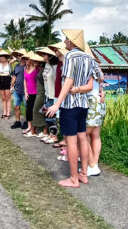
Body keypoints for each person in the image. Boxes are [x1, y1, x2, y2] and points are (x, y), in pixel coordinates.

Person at [46, 29, 94, 188]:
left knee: (71, 141)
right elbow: (91, 83)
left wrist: (57, 103)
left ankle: (73, 178)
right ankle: (84, 174)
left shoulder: (69, 57)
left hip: (69, 105)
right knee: (83, 138)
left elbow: (68, 81)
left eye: (66, 39)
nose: (65, 42)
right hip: (83, 104)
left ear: (72, 41)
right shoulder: (88, 57)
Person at [84, 43, 106, 177]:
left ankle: (92, 165)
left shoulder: (88, 65)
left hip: (91, 102)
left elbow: (99, 78)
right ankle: (94, 163)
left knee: (84, 134)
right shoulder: (95, 65)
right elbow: (101, 80)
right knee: (95, 135)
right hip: (98, 101)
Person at [37, 47, 59, 144]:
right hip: (47, 94)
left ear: (49, 56)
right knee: (47, 116)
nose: (43, 56)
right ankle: (51, 134)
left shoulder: (55, 66)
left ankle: (54, 136)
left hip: (53, 95)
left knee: (52, 117)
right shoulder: (46, 65)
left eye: (44, 54)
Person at [0, 49, 15, 118]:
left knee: (8, 98)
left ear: (5, 57)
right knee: (3, 98)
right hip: (1, 79)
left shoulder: (9, 62)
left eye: (2, 57)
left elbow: (15, 58)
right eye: (0, 57)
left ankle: (8, 113)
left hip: (7, 79)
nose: (1, 58)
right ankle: (4, 112)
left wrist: (10, 50)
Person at [22, 51, 41, 137]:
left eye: (27, 59)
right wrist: (25, 92)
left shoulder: (37, 69)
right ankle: (29, 126)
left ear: (31, 60)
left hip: (36, 92)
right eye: (25, 59)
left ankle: (35, 127)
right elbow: (25, 81)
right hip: (29, 92)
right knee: (28, 110)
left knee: (35, 110)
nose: (26, 60)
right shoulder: (25, 69)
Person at [9, 49, 27, 129]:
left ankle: (27, 122)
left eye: (20, 55)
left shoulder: (28, 66)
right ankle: (17, 121)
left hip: (26, 91)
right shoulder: (17, 66)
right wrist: (11, 86)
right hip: (17, 90)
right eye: (18, 55)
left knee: (27, 107)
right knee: (16, 107)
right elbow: (14, 76)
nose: (19, 57)